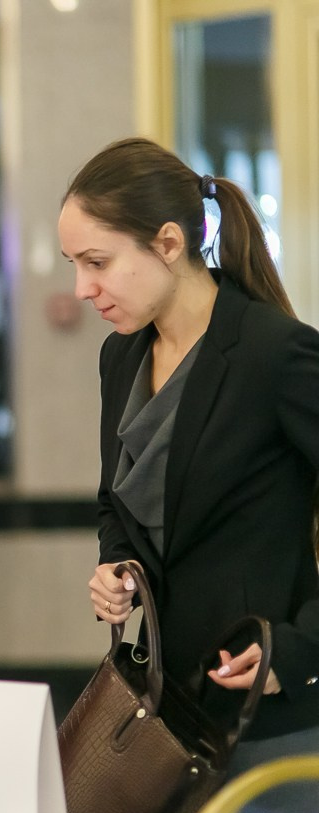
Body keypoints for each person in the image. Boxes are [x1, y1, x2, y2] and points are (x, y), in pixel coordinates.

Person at [62, 137, 319, 776]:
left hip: (264, 711)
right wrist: (114, 568)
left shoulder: (274, 352)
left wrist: (305, 648)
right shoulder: (121, 355)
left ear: (170, 243)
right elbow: (115, 500)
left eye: (97, 261)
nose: (82, 288)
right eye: (74, 263)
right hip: (160, 709)